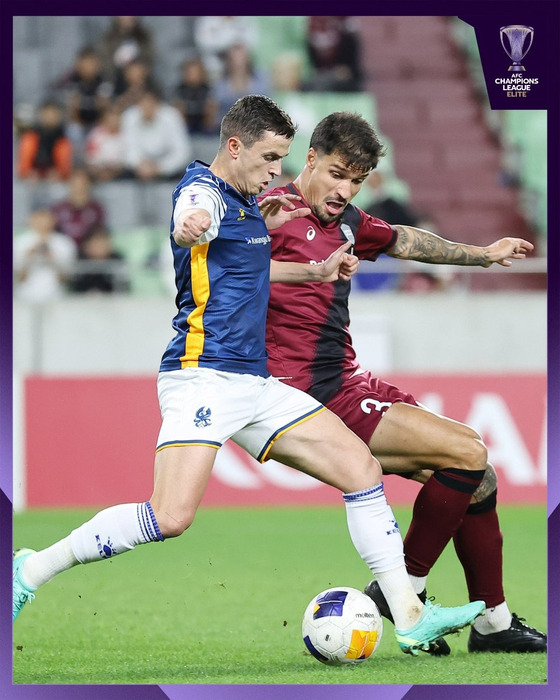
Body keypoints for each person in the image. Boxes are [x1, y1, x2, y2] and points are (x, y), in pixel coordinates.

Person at [13, 95, 485, 657]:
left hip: (256, 384)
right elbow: (195, 219)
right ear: (234, 147)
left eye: (282, 160)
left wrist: (319, 269)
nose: (276, 173)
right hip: (202, 376)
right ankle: (32, 569)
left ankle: (408, 615)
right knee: (170, 517)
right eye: (268, 159)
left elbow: (253, 265)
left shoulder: (248, 204)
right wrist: (192, 224)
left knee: (360, 468)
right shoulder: (204, 193)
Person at [263, 111, 546, 654]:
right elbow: (213, 266)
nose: (345, 189)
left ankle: (493, 623)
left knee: (477, 478)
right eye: (338, 173)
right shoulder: (271, 216)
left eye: (358, 180)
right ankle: (403, 590)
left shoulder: (347, 225)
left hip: (348, 379)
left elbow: (406, 241)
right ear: (311, 160)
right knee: (468, 449)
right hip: (311, 394)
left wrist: (483, 255)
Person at [121, 89, 191, 182]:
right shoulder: (130, 116)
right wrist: (140, 165)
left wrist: (160, 168)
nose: (147, 107)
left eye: (151, 103)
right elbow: (128, 149)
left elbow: (182, 152)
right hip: (139, 170)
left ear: (158, 103)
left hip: (168, 171)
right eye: (143, 103)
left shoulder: (172, 116)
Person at [13, 206, 77, 303]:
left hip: (56, 294)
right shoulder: (19, 242)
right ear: (31, 220)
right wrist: (29, 254)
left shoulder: (64, 242)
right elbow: (16, 274)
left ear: (53, 221)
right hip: (25, 294)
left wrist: (52, 257)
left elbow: (68, 275)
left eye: (46, 219)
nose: (42, 223)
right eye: (38, 219)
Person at [51, 168, 107, 250]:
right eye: (75, 182)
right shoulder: (58, 208)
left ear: (89, 184)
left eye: (82, 182)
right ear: (69, 184)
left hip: (88, 252)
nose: (79, 186)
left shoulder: (96, 209)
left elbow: (98, 232)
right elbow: (53, 231)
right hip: (62, 250)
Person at [17, 101, 73, 182]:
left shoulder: (63, 140)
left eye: (54, 114)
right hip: (31, 181)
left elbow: (65, 167)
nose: (51, 117)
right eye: (48, 113)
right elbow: (23, 166)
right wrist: (28, 173)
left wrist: (59, 173)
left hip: (55, 181)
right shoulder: (30, 137)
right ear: (41, 114)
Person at [70, 225, 129, 294]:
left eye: (102, 242)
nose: (99, 246)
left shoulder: (117, 260)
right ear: (87, 246)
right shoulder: (81, 261)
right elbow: (76, 288)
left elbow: (123, 287)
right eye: (96, 242)